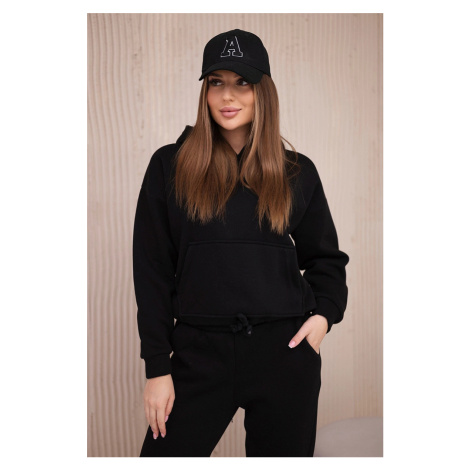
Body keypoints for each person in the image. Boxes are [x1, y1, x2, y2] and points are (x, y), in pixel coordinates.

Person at [133, 28, 349, 457]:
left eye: (242, 82)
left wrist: (323, 317)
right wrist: (157, 368)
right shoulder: (169, 166)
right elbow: (152, 270)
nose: (227, 96)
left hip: (284, 355)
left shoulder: (296, 172)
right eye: (216, 82)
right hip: (198, 354)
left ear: (261, 91)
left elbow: (326, 259)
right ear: (205, 90)